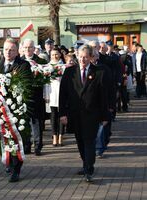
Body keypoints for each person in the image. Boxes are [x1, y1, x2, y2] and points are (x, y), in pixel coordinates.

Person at [59, 45, 109, 183]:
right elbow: (63, 95)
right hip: (75, 114)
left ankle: (89, 168)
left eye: (86, 57)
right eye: (80, 57)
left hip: (92, 115)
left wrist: (105, 116)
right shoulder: (69, 72)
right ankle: (85, 163)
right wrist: (62, 114)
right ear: (77, 56)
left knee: (89, 141)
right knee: (80, 141)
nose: (83, 60)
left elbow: (102, 96)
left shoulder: (98, 72)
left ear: (91, 57)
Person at [0, 38, 33, 182]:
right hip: (1, 108)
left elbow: (26, 85)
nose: (8, 52)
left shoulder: (23, 65)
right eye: (6, 49)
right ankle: (10, 162)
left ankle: (16, 168)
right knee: (5, 136)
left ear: (17, 51)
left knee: (17, 137)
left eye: (11, 50)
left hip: (17, 109)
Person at [21, 38, 47, 156]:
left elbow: (46, 78)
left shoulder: (41, 61)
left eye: (30, 47)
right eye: (25, 47)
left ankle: (38, 145)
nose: (27, 50)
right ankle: (26, 145)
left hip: (37, 96)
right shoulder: (19, 61)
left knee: (36, 122)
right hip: (23, 97)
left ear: (34, 48)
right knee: (24, 122)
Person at [44, 48, 65, 147]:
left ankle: (60, 135)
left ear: (60, 55)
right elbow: (45, 82)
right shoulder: (47, 67)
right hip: (51, 93)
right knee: (53, 115)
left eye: (56, 54)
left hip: (61, 92)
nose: (55, 56)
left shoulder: (64, 66)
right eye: (52, 55)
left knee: (61, 114)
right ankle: (54, 136)